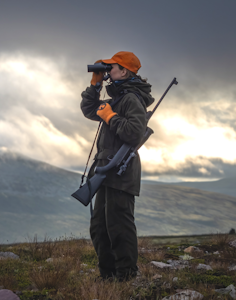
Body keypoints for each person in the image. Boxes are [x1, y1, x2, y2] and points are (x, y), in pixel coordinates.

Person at [80, 51, 154, 282]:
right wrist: (94, 85)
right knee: (100, 228)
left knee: (119, 225)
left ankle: (127, 277)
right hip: (106, 171)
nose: (108, 70)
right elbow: (89, 110)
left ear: (124, 71)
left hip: (121, 171)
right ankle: (108, 277)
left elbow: (133, 133)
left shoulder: (132, 99)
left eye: (112, 67)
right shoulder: (117, 99)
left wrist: (111, 117)